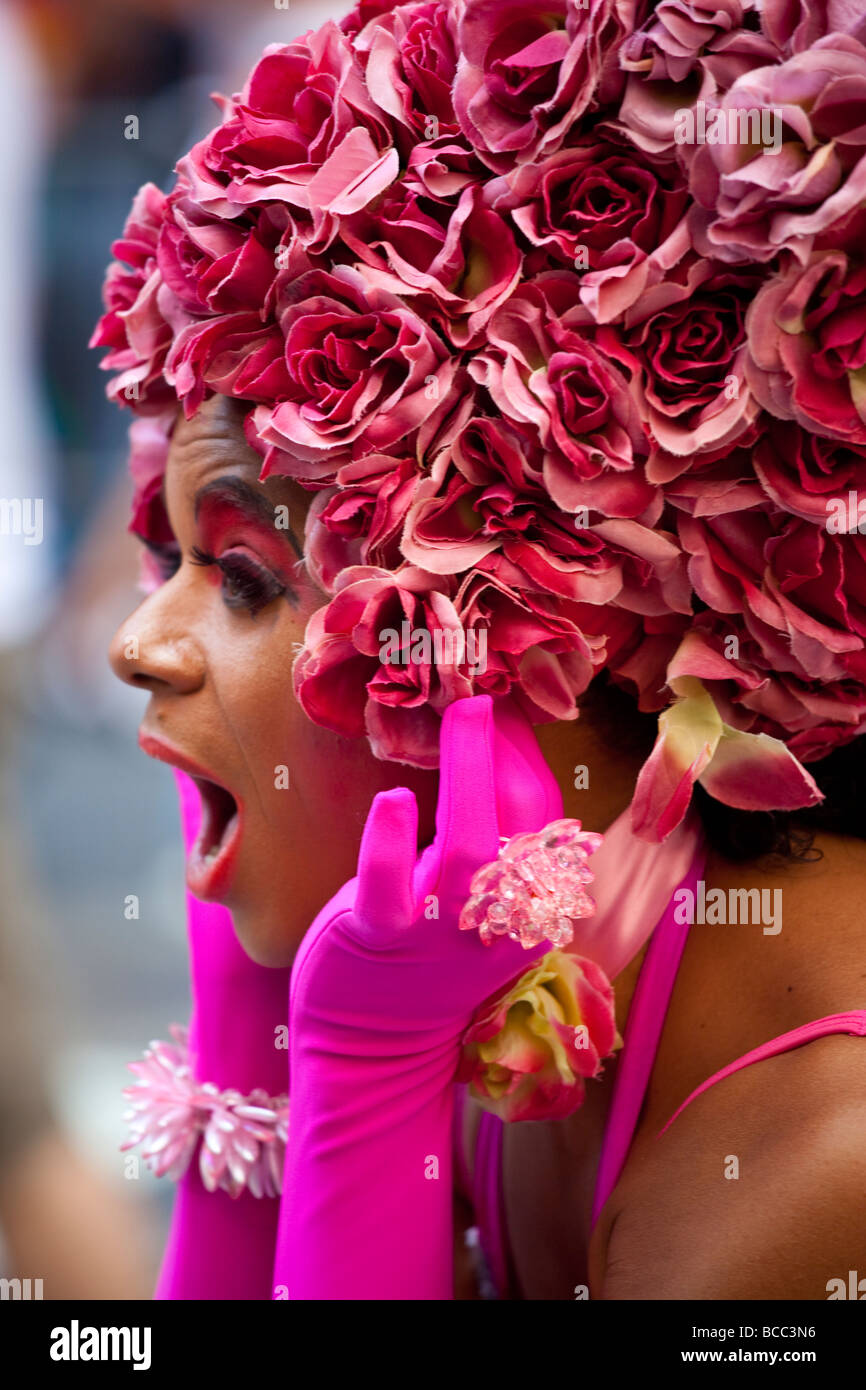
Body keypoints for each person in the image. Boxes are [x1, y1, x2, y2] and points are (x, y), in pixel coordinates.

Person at [94, 0, 866, 1299]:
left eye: (236, 575)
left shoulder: (812, 1166)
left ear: (545, 622)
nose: (134, 643)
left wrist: (360, 1084)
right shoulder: (481, 953)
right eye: (166, 563)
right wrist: (252, 1035)